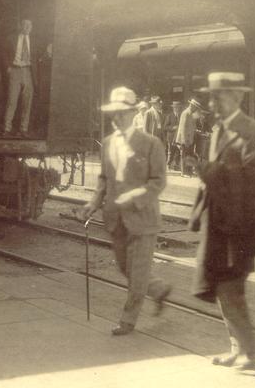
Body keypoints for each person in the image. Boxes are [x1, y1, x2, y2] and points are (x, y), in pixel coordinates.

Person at [81, 87, 172, 336]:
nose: (117, 118)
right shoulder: (108, 143)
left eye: (122, 113)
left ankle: (127, 320)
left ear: (133, 113)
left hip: (143, 218)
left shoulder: (151, 143)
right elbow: (103, 179)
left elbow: (158, 181)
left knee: (138, 273)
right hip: (115, 217)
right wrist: (93, 202)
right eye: (114, 113)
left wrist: (133, 196)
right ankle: (159, 289)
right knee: (125, 269)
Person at [190, 72, 255, 370]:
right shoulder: (219, 127)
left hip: (239, 226)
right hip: (217, 223)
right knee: (221, 289)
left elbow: (253, 177)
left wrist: (210, 171)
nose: (211, 102)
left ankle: (249, 351)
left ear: (236, 97)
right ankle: (237, 348)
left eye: (217, 96)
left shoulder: (252, 129)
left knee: (231, 290)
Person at [2, 19, 35, 138]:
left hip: (27, 71)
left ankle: (23, 129)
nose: (27, 27)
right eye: (25, 25)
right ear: (20, 26)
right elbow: (3, 52)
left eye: (29, 25)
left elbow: (37, 55)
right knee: (12, 100)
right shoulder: (11, 38)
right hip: (15, 70)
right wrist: (7, 67)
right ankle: (6, 128)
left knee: (27, 101)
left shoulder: (34, 40)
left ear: (31, 27)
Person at [175, 98, 203, 177]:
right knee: (184, 155)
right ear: (191, 105)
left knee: (189, 155)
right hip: (185, 139)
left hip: (190, 138)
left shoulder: (192, 113)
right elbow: (182, 128)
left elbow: (193, 126)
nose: (196, 108)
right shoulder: (185, 113)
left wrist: (196, 131)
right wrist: (184, 140)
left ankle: (189, 171)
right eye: (195, 106)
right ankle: (183, 172)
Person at [163, 101, 181, 169]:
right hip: (171, 137)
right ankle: (168, 164)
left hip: (178, 137)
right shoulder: (169, 116)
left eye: (178, 108)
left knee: (178, 151)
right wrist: (173, 128)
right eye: (175, 107)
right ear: (173, 108)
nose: (176, 109)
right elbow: (165, 127)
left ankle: (176, 165)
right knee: (171, 151)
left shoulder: (181, 115)